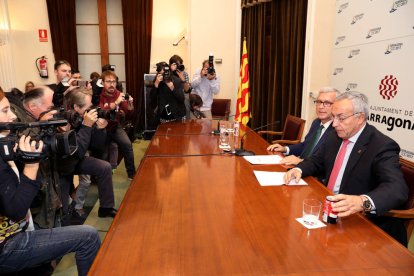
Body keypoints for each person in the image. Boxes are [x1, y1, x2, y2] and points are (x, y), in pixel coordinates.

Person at [284, 91, 409, 245]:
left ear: (360, 118)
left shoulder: (381, 146)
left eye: (341, 118)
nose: (335, 124)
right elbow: (317, 161)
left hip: (361, 225)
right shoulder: (335, 135)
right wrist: (299, 169)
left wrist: (362, 202)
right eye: (333, 117)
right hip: (328, 209)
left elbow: (397, 188)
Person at [0, 87, 101, 275]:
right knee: (88, 236)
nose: (13, 117)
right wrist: (31, 164)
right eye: (5, 111)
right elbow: (15, 210)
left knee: (45, 268)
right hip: (7, 244)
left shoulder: (8, 141)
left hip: (21, 228)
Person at [63, 87, 117, 219]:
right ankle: (66, 213)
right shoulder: (65, 120)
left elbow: (97, 147)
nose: (91, 109)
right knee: (66, 181)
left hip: (79, 157)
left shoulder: (85, 117)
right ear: (76, 107)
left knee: (104, 167)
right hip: (64, 161)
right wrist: (86, 126)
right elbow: (77, 152)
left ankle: (106, 208)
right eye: (88, 106)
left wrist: (100, 129)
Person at [267, 87, 339, 166]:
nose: (321, 106)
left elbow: (329, 163)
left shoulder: (337, 131)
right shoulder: (316, 123)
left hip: (314, 175)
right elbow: (305, 145)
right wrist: (285, 149)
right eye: (319, 102)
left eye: (327, 103)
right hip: (300, 168)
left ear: (337, 106)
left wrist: (301, 161)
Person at [98, 70, 136, 179]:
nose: (111, 84)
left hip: (115, 126)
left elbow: (129, 114)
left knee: (128, 145)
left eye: (114, 81)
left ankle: (131, 174)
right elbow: (102, 110)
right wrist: (115, 103)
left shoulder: (119, 94)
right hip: (102, 128)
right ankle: (103, 177)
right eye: (108, 81)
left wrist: (130, 103)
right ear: (103, 83)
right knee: (103, 154)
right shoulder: (99, 95)